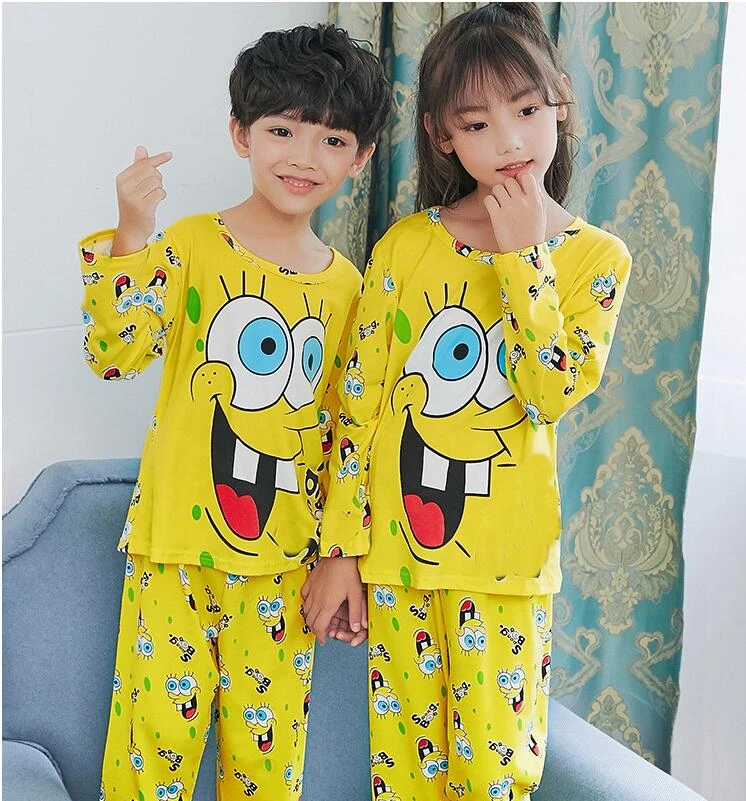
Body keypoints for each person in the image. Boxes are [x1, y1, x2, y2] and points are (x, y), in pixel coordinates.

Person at [301, 4, 632, 799]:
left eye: (525, 111)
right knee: (404, 777)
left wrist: (523, 261)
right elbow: (358, 408)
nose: (509, 141)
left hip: (505, 573)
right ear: (442, 136)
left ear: (559, 102)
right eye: (478, 124)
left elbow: (549, 390)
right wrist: (339, 550)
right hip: (399, 563)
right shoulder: (407, 247)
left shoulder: (594, 260)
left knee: (492, 776)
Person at [79, 23, 390, 801]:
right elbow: (114, 354)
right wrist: (132, 231)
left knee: (266, 770)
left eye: (331, 139)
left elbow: (350, 435)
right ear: (240, 133)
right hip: (174, 554)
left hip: (284, 567)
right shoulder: (191, 246)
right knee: (151, 751)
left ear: (359, 159)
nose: (302, 156)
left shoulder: (351, 290)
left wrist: (340, 555)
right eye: (282, 130)